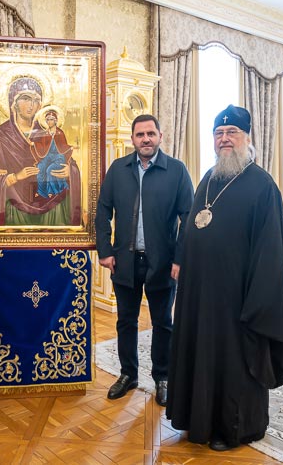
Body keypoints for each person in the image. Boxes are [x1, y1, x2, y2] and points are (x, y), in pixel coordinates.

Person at [166, 105, 283, 451]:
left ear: (247, 138)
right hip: (199, 294)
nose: (224, 139)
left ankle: (234, 429)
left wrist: (256, 302)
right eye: (219, 133)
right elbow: (192, 229)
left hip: (237, 300)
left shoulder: (263, 186)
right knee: (200, 356)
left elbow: (270, 252)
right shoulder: (208, 179)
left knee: (232, 363)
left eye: (232, 132)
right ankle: (197, 419)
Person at [95, 114, 194, 407]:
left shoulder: (177, 171)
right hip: (124, 262)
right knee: (126, 321)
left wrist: (180, 259)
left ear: (160, 136)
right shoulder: (118, 169)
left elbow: (188, 218)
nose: (146, 139)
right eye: (140, 134)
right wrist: (105, 251)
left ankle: (163, 377)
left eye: (151, 133)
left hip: (162, 263)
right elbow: (103, 211)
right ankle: (128, 374)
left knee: (163, 322)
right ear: (133, 139)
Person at [0, 77, 81, 226]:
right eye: (26, 99)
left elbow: (67, 159)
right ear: (13, 102)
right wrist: (15, 177)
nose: (31, 105)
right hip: (14, 208)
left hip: (52, 206)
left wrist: (69, 171)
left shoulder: (49, 133)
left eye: (36, 100)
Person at [30, 106, 74, 198]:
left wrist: (69, 148)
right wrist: (34, 144)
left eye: (51, 120)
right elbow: (42, 146)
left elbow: (63, 146)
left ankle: (53, 191)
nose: (49, 122)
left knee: (50, 170)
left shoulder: (60, 133)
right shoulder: (45, 133)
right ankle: (41, 191)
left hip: (58, 156)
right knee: (40, 168)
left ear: (56, 121)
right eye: (48, 120)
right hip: (47, 156)